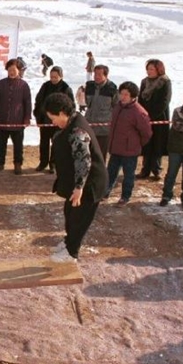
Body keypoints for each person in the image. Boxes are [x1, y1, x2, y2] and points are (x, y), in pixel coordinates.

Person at [44, 93, 107, 263]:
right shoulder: (72, 121)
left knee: (79, 219)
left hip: (89, 184)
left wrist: (79, 188)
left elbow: (84, 161)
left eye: (54, 117)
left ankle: (72, 253)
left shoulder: (78, 131)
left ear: (63, 112)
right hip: (79, 183)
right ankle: (68, 242)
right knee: (70, 213)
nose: (53, 122)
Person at [105, 82, 152, 207]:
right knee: (110, 172)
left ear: (133, 96)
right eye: (122, 93)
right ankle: (105, 192)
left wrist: (136, 144)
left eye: (126, 94)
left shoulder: (139, 112)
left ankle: (125, 196)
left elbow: (146, 133)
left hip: (130, 150)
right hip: (115, 147)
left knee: (128, 175)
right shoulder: (118, 106)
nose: (123, 96)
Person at [0, 58, 32, 175]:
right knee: (1, 144)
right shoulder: (1, 83)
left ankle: (18, 164)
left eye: (14, 70)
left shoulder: (24, 85)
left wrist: (27, 117)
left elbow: (27, 102)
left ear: (18, 70)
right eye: (9, 70)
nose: (12, 72)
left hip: (17, 121)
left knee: (18, 145)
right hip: (2, 120)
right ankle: (0, 163)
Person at [33, 66, 75, 173]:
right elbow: (38, 101)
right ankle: (43, 163)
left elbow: (71, 106)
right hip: (45, 121)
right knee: (44, 143)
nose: (53, 79)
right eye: (51, 77)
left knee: (56, 144)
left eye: (56, 77)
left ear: (61, 76)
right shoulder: (45, 86)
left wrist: (66, 121)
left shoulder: (66, 88)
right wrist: (38, 117)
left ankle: (53, 164)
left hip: (59, 123)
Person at [137, 58, 172, 181]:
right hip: (145, 117)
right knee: (146, 142)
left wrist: (152, 116)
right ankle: (145, 169)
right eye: (148, 69)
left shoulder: (165, 82)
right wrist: (143, 114)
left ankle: (156, 169)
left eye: (152, 69)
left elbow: (164, 101)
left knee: (158, 142)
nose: (149, 71)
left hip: (159, 118)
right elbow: (140, 100)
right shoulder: (144, 82)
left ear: (158, 69)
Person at [84, 64, 118, 163]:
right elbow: (87, 103)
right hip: (90, 125)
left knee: (101, 154)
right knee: (88, 153)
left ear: (106, 75)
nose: (96, 77)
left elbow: (115, 106)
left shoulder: (111, 88)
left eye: (99, 74)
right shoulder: (89, 86)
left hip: (104, 128)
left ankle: (100, 175)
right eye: (95, 74)